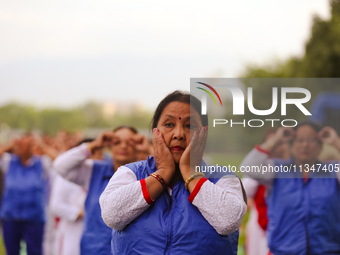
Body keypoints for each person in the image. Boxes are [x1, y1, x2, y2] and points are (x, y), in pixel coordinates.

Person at [99, 91, 247, 255]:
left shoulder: (223, 179)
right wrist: (162, 173)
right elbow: (112, 216)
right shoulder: (130, 173)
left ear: (204, 135)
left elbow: (228, 221)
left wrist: (190, 172)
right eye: (169, 125)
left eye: (189, 126)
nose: (178, 134)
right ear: (155, 132)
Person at [240, 121, 340, 254]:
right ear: (291, 145)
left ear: (320, 144)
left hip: (328, 250)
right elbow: (247, 167)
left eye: (311, 140)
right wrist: (276, 139)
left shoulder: (332, 171)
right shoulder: (277, 169)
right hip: (283, 251)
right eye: (299, 140)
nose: (305, 145)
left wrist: (336, 142)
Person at [53, 127, 151, 255]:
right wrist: (94, 145)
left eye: (130, 143)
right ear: (109, 146)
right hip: (94, 250)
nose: (123, 146)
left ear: (138, 147)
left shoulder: (148, 175)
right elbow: (60, 165)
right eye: (117, 142)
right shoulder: (95, 171)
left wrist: (148, 149)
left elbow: (166, 169)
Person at [0, 135, 55, 255]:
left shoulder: (42, 162)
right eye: (22, 145)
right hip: (11, 216)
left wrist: (42, 146)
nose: (24, 149)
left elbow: (59, 161)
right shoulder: (9, 161)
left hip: (34, 217)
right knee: (11, 251)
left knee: (35, 251)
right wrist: (9, 145)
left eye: (27, 145)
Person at [242, 128, 290, 255]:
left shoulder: (293, 168)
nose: (275, 147)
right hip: (260, 226)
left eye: (280, 143)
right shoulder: (263, 170)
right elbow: (243, 191)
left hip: (285, 228)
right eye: (272, 143)